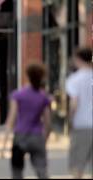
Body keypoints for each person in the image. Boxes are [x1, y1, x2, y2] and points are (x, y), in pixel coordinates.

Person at [2, 63, 51, 179]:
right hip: (37, 136)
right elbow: (48, 122)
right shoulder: (44, 97)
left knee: (17, 171)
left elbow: (11, 119)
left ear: (27, 76)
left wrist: (4, 144)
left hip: (20, 137)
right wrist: (45, 139)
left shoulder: (18, 95)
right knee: (42, 171)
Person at [65, 48, 93, 179]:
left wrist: (70, 121)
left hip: (82, 125)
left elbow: (74, 103)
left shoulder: (74, 80)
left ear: (78, 59)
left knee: (78, 165)